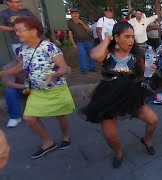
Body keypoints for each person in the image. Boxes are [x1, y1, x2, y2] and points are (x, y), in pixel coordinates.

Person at [81, 22, 159, 168]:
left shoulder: (136, 55)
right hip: (107, 98)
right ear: (116, 37)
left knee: (153, 120)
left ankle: (147, 140)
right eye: (127, 37)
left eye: (132, 37)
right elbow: (95, 56)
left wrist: (150, 69)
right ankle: (118, 152)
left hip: (132, 95)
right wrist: (106, 40)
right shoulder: (106, 53)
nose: (131, 41)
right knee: (110, 135)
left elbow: (144, 72)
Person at [0, 16, 75, 159]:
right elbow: (19, 68)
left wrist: (53, 76)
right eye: (16, 30)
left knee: (60, 115)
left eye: (20, 30)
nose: (17, 33)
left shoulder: (49, 47)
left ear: (33, 31)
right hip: (36, 91)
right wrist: (2, 73)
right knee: (29, 118)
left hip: (55, 90)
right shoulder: (23, 49)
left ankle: (66, 136)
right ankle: (48, 142)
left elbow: (64, 68)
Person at [68, 8, 96, 74]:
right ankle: (83, 70)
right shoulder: (69, 22)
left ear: (78, 14)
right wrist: (73, 44)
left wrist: (82, 23)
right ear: (71, 14)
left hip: (88, 40)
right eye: (73, 13)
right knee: (82, 55)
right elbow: (70, 34)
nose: (75, 15)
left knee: (91, 54)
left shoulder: (83, 20)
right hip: (79, 42)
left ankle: (92, 68)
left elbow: (90, 30)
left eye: (76, 13)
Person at [2, 58, 25, 128]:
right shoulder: (8, 67)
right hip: (21, 88)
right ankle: (15, 117)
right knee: (10, 92)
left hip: (36, 87)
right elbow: (9, 84)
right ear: (17, 57)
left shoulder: (36, 61)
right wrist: (26, 87)